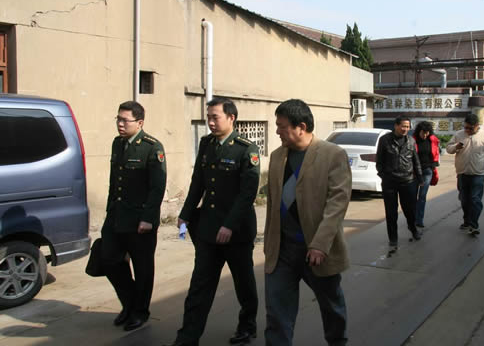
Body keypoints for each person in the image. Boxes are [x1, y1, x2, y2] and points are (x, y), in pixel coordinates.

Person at [168, 97, 260, 346]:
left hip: (237, 231)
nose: (210, 122)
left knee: (244, 283)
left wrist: (229, 225)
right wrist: (185, 213)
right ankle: (187, 338)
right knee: (200, 285)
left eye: (215, 117)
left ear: (231, 118)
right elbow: (198, 181)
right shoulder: (206, 144)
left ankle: (247, 325)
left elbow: (247, 194)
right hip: (208, 229)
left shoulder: (246, 149)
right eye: (208, 117)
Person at [264, 99, 352, 346]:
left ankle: (337, 342)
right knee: (276, 312)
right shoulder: (277, 157)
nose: (277, 131)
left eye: (282, 126)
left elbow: (337, 203)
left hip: (316, 249)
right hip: (282, 250)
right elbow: (272, 203)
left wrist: (320, 244)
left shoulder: (332, 155)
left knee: (331, 305)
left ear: (301, 127)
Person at [102, 101, 167, 331]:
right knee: (109, 259)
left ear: (139, 123)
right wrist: (110, 210)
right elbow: (114, 181)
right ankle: (129, 303)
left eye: (125, 120)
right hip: (117, 216)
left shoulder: (152, 147)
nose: (120, 124)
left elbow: (157, 187)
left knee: (142, 268)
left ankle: (140, 311)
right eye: (118, 119)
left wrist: (148, 218)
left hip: (140, 219)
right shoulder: (117, 144)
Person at [446, 113, 484, 235]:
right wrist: (456, 146)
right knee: (464, 199)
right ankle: (467, 220)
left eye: (470, 128)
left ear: (477, 126)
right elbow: (448, 148)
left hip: (478, 174)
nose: (467, 130)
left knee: (475, 199)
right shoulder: (459, 135)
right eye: (465, 127)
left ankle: (474, 224)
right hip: (462, 173)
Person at [376, 117, 423, 244]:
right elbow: (379, 160)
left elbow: (416, 161)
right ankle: (393, 238)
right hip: (389, 182)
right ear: (396, 126)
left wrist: (420, 177)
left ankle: (413, 229)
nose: (405, 129)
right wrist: (383, 175)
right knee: (391, 212)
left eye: (407, 127)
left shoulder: (411, 141)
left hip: (407, 181)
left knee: (410, 210)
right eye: (403, 126)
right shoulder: (385, 140)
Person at [412, 121, 440, 228]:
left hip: (427, 171)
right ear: (419, 131)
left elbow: (436, 153)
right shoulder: (412, 140)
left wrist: (434, 164)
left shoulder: (432, 139)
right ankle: (412, 218)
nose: (425, 135)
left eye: (427, 133)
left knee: (422, 196)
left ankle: (419, 220)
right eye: (423, 132)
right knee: (413, 196)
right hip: (414, 172)